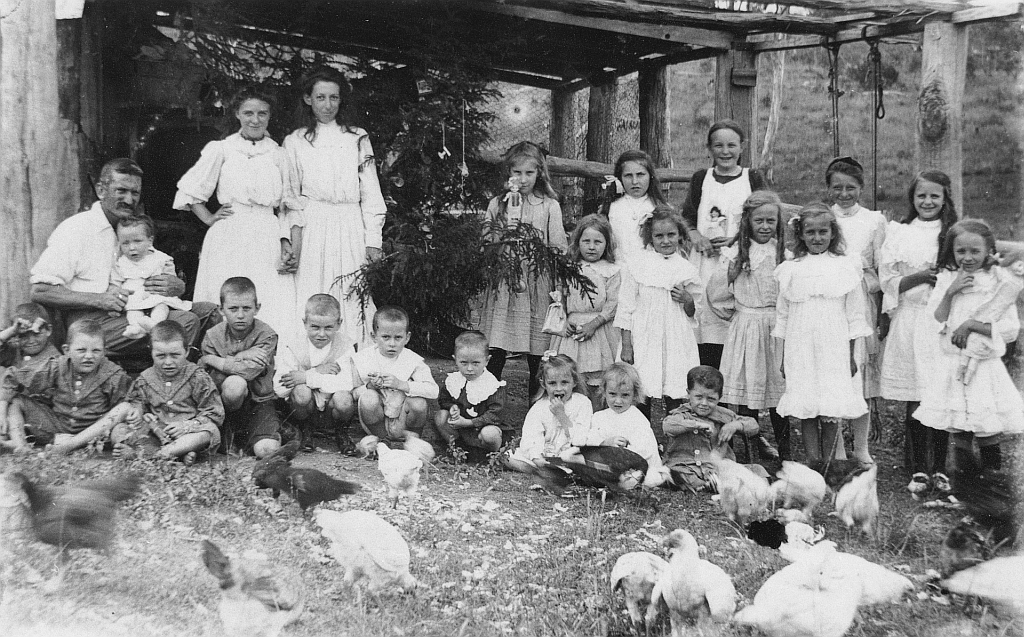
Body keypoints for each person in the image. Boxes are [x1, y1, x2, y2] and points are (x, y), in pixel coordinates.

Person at [29, 158, 213, 352]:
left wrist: (176, 286)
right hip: (91, 323)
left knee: (208, 311)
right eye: (121, 191)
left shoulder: (130, 227)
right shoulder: (77, 229)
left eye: (135, 193)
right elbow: (40, 290)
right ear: (101, 190)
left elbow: (149, 267)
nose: (129, 200)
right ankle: (164, 380)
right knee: (185, 322)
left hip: (138, 308)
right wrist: (98, 299)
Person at [173, 86, 297, 337]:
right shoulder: (222, 149)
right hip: (229, 233)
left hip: (266, 232)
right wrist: (209, 218)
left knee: (268, 297)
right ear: (238, 115)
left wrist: (285, 240)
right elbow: (190, 190)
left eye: (262, 113)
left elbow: (288, 205)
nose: (255, 119)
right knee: (225, 295)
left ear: (269, 116)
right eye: (248, 113)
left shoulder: (279, 154)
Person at [283, 67, 388, 345]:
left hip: (349, 222)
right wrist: (293, 241)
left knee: (352, 292)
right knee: (311, 288)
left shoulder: (357, 137)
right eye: (320, 97)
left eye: (334, 98)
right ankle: (309, 361)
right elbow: (291, 197)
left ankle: (353, 364)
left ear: (342, 100)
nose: (327, 105)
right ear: (308, 99)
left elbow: (371, 192)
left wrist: (373, 240)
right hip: (313, 222)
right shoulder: (295, 141)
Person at [914, 219, 1024, 476]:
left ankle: (991, 485)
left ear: (989, 250)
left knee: (986, 426)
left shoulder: (998, 281)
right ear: (951, 250)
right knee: (959, 426)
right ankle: (965, 485)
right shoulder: (947, 279)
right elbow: (937, 319)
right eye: (960, 251)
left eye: (975, 251)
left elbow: (1009, 330)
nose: (968, 257)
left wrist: (971, 325)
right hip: (953, 364)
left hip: (984, 366)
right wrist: (950, 292)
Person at [773, 203, 872, 463]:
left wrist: (852, 355)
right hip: (800, 345)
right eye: (811, 232)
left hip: (834, 345)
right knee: (807, 408)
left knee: (829, 408)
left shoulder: (845, 267)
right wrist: (782, 356)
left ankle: (830, 465)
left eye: (822, 232)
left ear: (833, 233)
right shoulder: (791, 268)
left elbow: (854, 316)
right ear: (801, 235)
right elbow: (782, 316)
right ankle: (814, 463)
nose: (817, 238)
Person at [879, 172, 957, 495]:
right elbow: (889, 281)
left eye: (934, 197)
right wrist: (922, 275)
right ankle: (917, 468)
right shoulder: (899, 233)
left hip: (939, 322)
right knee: (914, 395)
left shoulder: (952, 233)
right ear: (912, 199)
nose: (927, 202)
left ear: (945, 199)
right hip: (910, 319)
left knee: (938, 393)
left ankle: (940, 465)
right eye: (921, 196)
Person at [479, 141, 568, 400]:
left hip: (536, 282)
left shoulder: (549, 205)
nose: (523, 179)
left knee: (536, 352)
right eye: (517, 172)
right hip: (505, 282)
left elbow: (558, 247)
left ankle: (536, 408)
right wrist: (502, 230)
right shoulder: (498, 203)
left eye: (529, 173)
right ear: (508, 174)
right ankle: (487, 404)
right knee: (497, 347)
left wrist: (559, 286)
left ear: (539, 172)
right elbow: (487, 240)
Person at [707, 191, 789, 460]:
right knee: (747, 390)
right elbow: (717, 293)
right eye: (759, 221)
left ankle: (786, 452)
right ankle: (749, 450)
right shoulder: (736, 255)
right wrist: (738, 315)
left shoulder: (783, 254)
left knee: (778, 390)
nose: (765, 227)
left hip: (776, 327)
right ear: (748, 222)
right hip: (746, 326)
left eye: (770, 221)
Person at [682, 120, 769, 369]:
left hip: (740, 262)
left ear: (742, 147)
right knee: (705, 319)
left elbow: (765, 214)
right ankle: (707, 385)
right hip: (705, 261)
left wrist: (736, 239)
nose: (725, 151)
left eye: (731, 145)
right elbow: (687, 215)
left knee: (734, 319)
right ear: (709, 149)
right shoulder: (702, 178)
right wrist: (695, 235)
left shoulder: (751, 177)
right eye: (718, 145)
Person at [826, 156, 887, 466]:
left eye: (851, 187)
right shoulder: (825, 218)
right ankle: (836, 448)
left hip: (861, 298)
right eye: (837, 187)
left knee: (858, 371)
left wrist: (882, 310)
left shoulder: (874, 220)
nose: (844, 194)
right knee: (835, 372)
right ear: (829, 189)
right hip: (830, 301)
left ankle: (861, 447)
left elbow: (881, 266)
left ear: (861, 188)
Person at [616, 206, 702, 419]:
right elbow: (626, 307)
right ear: (650, 237)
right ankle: (641, 436)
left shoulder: (686, 268)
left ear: (680, 236)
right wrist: (627, 345)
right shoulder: (637, 265)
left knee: (675, 386)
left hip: (675, 336)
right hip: (644, 336)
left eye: (671, 235)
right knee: (642, 387)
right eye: (659, 236)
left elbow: (694, 313)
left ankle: (674, 435)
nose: (665, 241)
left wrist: (687, 300)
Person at [5, 319, 132, 454]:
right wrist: (2, 405)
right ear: (67, 350)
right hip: (57, 425)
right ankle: (21, 446)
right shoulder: (57, 366)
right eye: (81, 350)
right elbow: (15, 376)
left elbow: (124, 405)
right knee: (17, 402)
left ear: (104, 352)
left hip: (92, 430)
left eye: (96, 351)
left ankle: (69, 445)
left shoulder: (112, 374)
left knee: (124, 409)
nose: (89, 356)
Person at [112, 320, 224, 464]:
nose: (168, 362)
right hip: (155, 433)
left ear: (187, 351)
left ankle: (158, 454)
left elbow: (214, 413)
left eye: (175, 355)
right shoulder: (145, 378)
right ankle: (176, 454)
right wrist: (139, 412)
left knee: (208, 432)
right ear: (151, 352)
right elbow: (137, 402)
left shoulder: (197, 377)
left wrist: (187, 426)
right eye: (161, 356)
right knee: (118, 430)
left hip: (187, 434)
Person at [200, 277, 281, 459]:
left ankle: (260, 432)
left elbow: (250, 371)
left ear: (257, 308)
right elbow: (209, 376)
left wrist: (216, 359)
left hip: (259, 402)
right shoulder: (213, 336)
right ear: (221, 309)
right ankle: (229, 428)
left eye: (246, 308)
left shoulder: (266, 334)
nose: (240, 315)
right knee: (235, 384)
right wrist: (242, 356)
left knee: (267, 451)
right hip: (225, 404)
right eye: (233, 309)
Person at [549, 214, 621, 408]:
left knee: (598, 381)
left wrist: (594, 324)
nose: (591, 246)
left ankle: (597, 421)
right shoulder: (569, 268)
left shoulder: (612, 270)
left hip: (601, 330)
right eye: (586, 241)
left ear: (606, 243)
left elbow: (614, 303)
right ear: (577, 242)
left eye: (598, 241)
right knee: (571, 377)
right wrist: (565, 321)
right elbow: (559, 297)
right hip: (572, 331)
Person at [274, 294, 357, 454]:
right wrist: (318, 371)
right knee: (301, 392)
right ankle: (305, 430)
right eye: (315, 327)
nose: (321, 334)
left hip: (331, 409)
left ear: (339, 324)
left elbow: (347, 383)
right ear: (305, 323)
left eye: (328, 328)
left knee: (344, 399)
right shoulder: (293, 346)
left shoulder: (345, 346)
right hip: (306, 408)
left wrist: (306, 377)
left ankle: (340, 431)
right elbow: (279, 387)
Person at [662, 365, 762, 491]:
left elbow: (753, 426)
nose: (704, 403)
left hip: (714, 468)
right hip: (685, 466)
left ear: (719, 398)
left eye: (711, 399)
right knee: (677, 475)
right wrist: (695, 425)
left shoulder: (723, 415)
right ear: (688, 394)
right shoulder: (681, 414)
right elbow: (668, 426)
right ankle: (706, 484)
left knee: (757, 470)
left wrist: (735, 426)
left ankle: (712, 483)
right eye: (698, 397)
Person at [351, 306, 438, 442]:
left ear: (407, 337)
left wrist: (401, 384)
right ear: (374, 336)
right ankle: (382, 440)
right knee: (368, 398)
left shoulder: (413, 360)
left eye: (398, 338)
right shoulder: (363, 358)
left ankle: (413, 440)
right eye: (385, 337)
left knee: (419, 403)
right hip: (375, 423)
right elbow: (354, 393)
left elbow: (433, 391)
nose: (392, 344)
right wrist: (370, 386)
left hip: (402, 421)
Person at [577, 362, 665, 487]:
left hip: (633, 465)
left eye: (625, 395)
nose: (618, 401)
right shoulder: (599, 417)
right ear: (604, 391)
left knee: (648, 477)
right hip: (608, 464)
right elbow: (590, 440)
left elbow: (645, 450)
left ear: (634, 395)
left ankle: (618, 481)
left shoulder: (637, 419)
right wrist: (604, 443)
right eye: (612, 394)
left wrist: (622, 453)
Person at [503, 353, 593, 474]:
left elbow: (580, 439)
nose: (558, 388)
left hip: (571, 455)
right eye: (552, 383)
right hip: (545, 456)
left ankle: (556, 471)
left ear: (574, 382)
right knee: (508, 455)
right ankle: (544, 469)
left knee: (583, 460)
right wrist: (537, 458)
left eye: (564, 382)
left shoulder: (582, 403)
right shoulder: (539, 407)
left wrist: (562, 416)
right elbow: (532, 437)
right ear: (543, 384)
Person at [110, 215, 192, 340]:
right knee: (132, 310)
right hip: (134, 298)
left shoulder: (161, 259)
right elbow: (115, 285)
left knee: (161, 306)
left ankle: (155, 324)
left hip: (156, 296)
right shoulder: (120, 263)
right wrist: (116, 300)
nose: (132, 247)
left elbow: (171, 281)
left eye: (137, 241)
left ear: (150, 241)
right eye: (125, 243)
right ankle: (136, 328)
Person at [601, 150, 687, 268]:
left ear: (650, 176)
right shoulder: (612, 208)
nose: (635, 181)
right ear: (619, 178)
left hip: (653, 272)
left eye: (640, 174)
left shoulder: (661, 208)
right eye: (628, 175)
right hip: (620, 271)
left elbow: (673, 247)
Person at [434, 330, 509, 454]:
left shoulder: (492, 385)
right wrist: (452, 407)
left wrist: (469, 423)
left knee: (490, 434)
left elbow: (495, 415)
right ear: (455, 359)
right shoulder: (454, 380)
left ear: (487, 360)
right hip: (461, 428)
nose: (469, 369)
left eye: (475, 363)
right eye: (463, 363)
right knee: (441, 416)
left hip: (483, 427)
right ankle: (460, 450)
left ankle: (490, 455)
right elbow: (444, 400)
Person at [0, 303, 60, 453]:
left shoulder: (54, 359)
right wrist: (11, 332)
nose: (31, 340)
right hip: (15, 415)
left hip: (42, 419)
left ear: (49, 330)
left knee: (15, 399)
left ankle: (19, 443)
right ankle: (10, 440)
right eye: (23, 336)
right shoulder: (16, 351)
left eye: (37, 333)